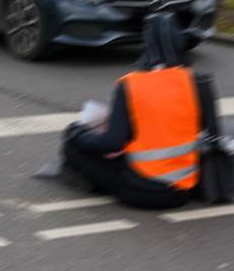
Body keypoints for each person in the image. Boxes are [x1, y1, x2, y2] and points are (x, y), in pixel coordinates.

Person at [63, 14, 208, 209]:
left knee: (72, 147)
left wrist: (77, 133)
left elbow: (112, 143)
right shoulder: (192, 80)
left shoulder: (130, 83)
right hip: (185, 189)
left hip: (145, 191)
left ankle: (95, 179)